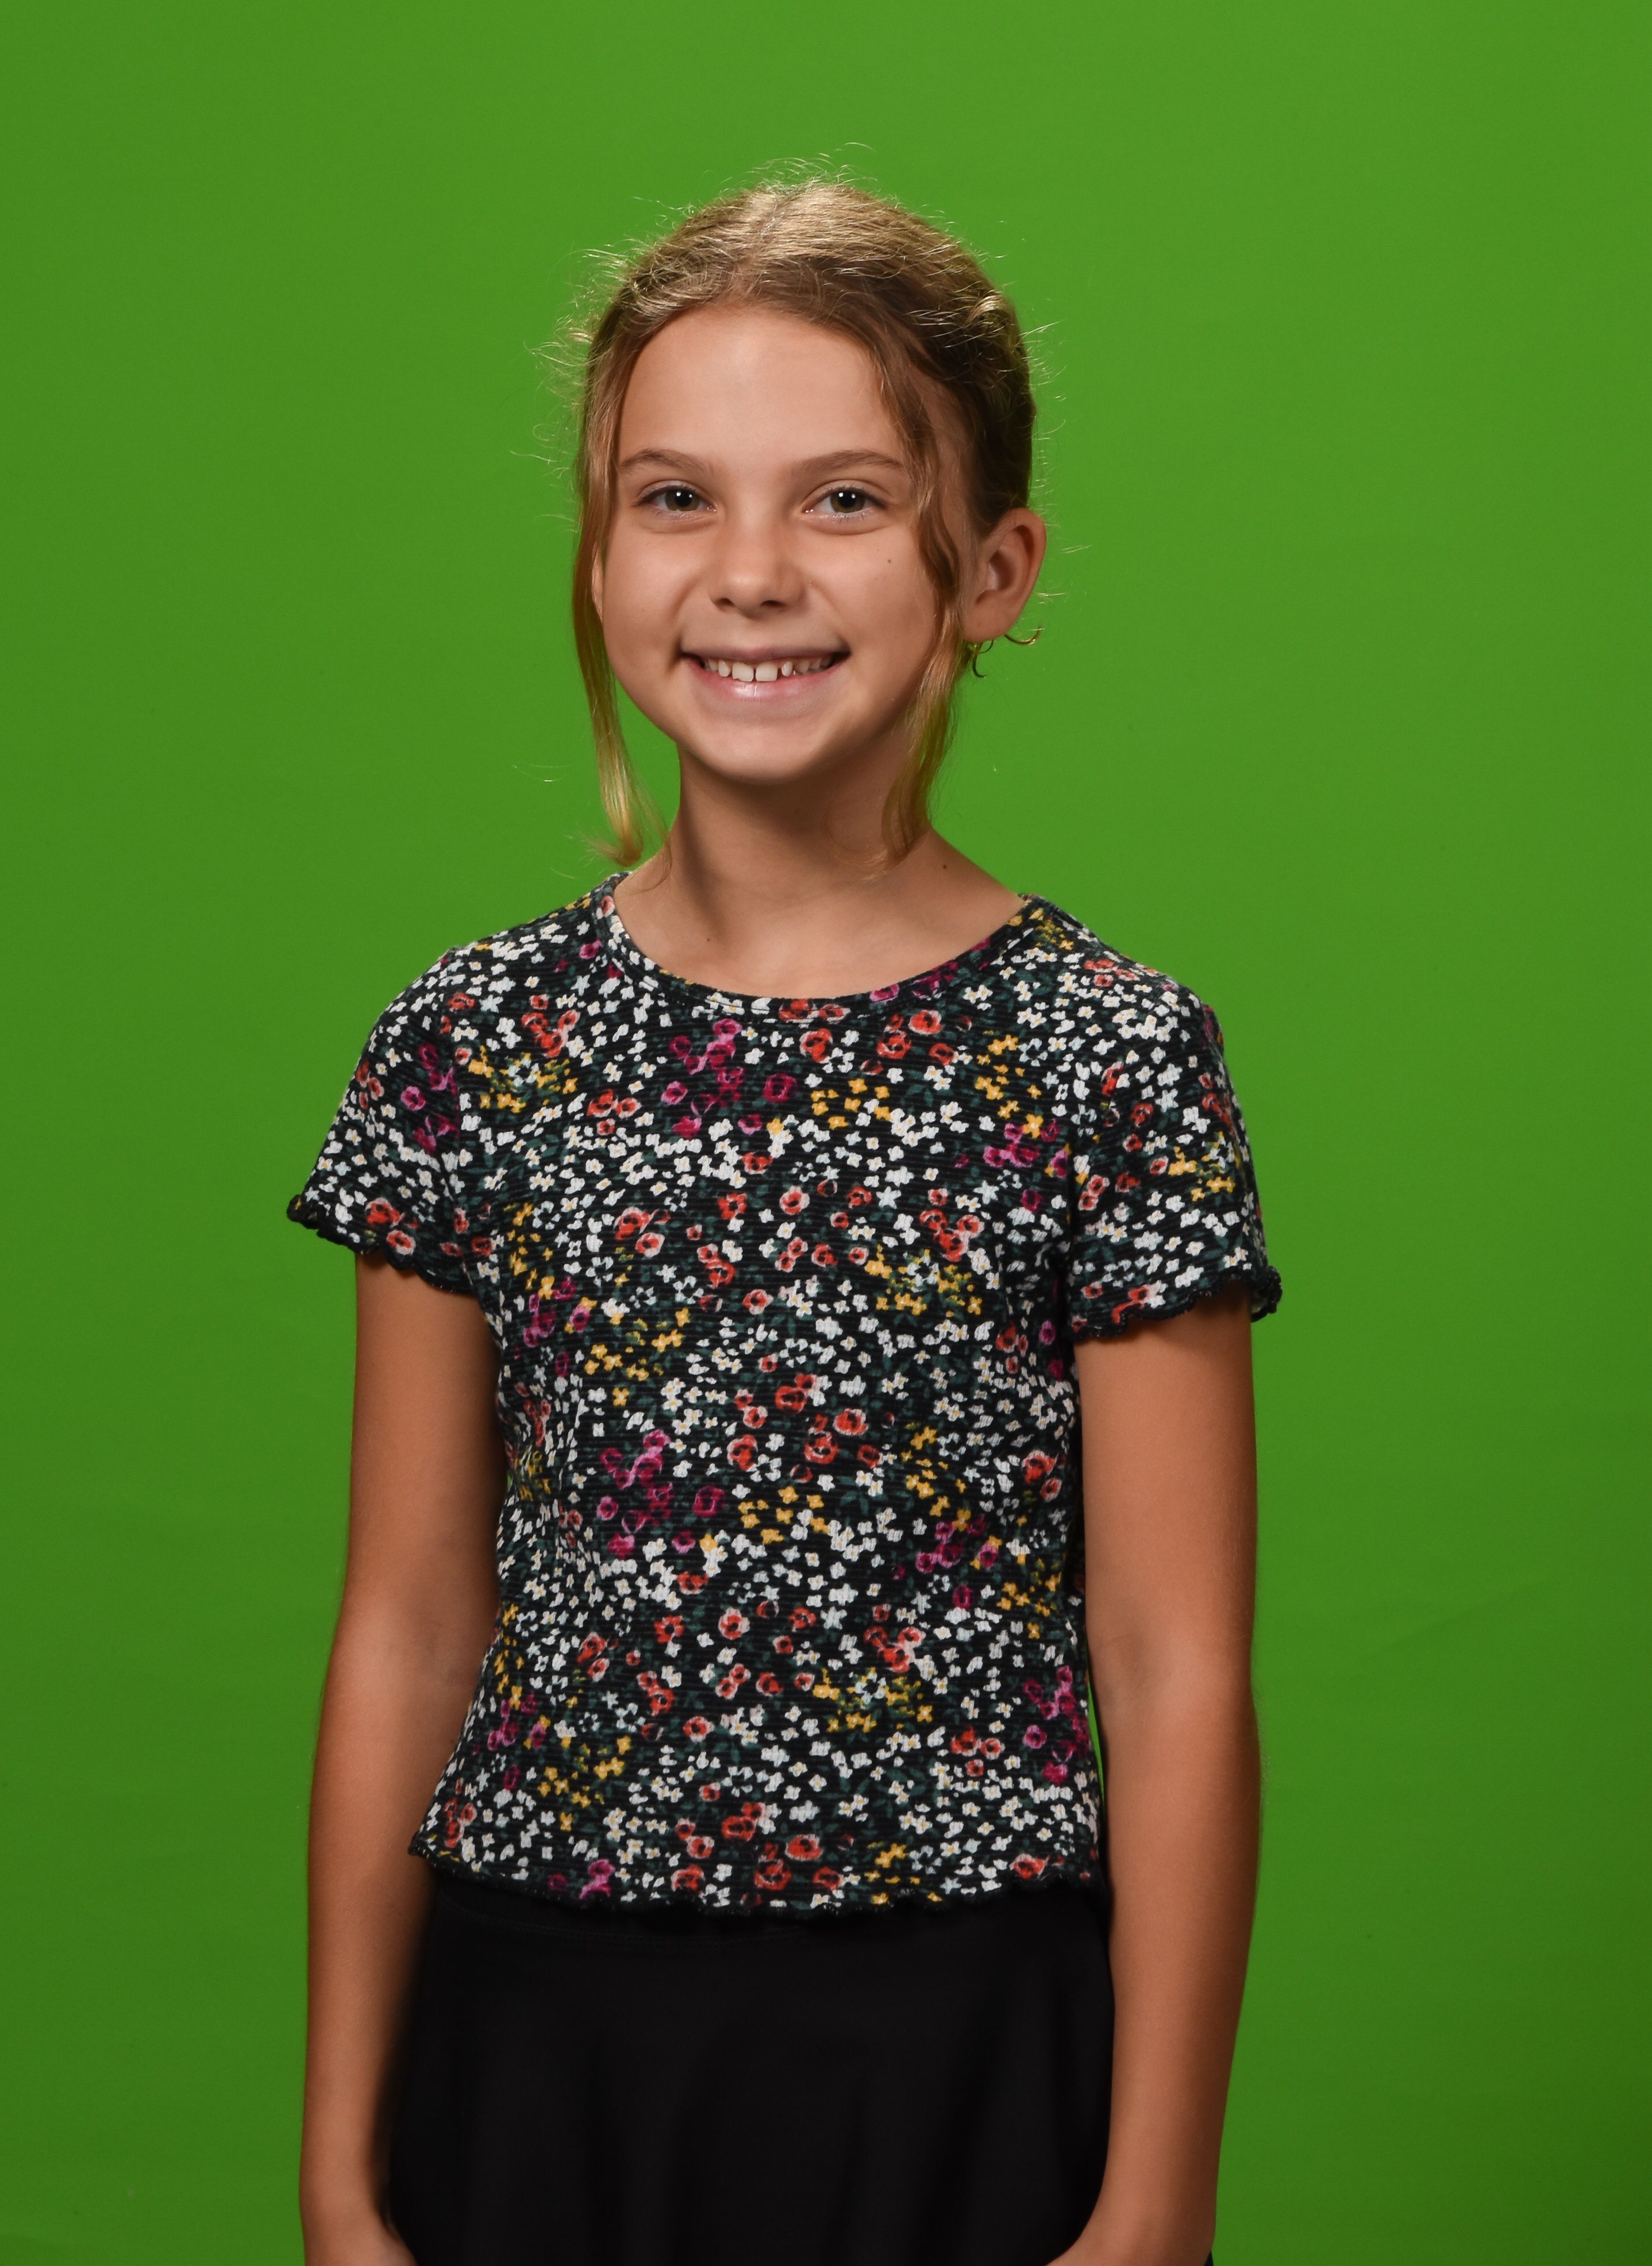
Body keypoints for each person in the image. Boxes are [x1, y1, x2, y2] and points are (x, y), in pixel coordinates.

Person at [289, 180, 1279, 2266]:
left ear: (989, 570)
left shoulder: (1107, 1055)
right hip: (537, 2029)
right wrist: (340, 2165)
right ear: (599, 555)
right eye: (675, 498)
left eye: (843, 500)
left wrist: (1157, 2199)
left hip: (959, 2032)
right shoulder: (474, 1041)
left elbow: (1173, 1663)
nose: (750, 572)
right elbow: (410, 1620)